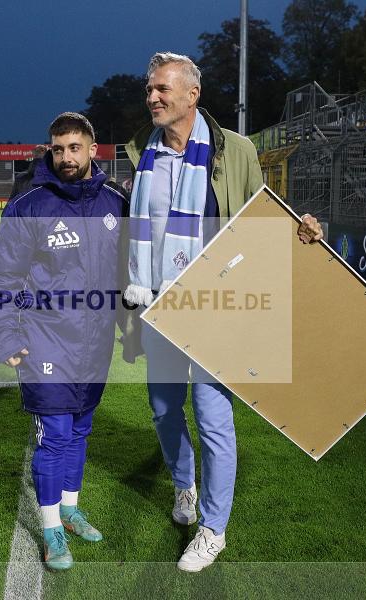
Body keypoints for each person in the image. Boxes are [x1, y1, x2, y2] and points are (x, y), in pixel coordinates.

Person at [120, 52, 322, 572]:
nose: (153, 97)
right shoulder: (143, 150)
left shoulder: (235, 149)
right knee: (165, 411)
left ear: (193, 95)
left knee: (213, 418)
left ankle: (214, 528)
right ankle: (184, 486)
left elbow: (258, 213)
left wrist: (298, 227)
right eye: (149, 89)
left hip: (215, 303)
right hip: (158, 306)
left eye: (163, 89)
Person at [0, 112, 127, 571]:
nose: (65, 157)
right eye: (57, 148)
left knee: (81, 428)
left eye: (73, 147)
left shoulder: (114, 201)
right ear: (50, 150)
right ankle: (50, 530)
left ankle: (69, 509)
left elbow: (128, 271)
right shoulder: (29, 204)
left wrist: (133, 326)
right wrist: (5, 333)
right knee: (56, 433)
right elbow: (2, 274)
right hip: (45, 337)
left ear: (92, 149)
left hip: (96, 337)